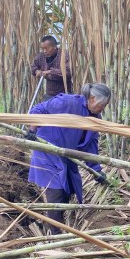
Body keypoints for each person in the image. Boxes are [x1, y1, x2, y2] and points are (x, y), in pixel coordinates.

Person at [25, 83, 111, 230]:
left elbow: (91, 146)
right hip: (48, 153)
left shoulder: (95, 119)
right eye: (102, 105)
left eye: (105, 106)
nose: (102, 109)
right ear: (92, 98)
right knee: (56, 193)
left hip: (67, 158)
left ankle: (54, 225)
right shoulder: (68, 102)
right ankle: (55, 235)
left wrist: (96, 170)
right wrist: (33, 128)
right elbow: (38, 110)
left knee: (67, 192)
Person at [31, 35, 72, 100]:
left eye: (47, 48)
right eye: (43, 49)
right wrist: (37, 71)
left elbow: (67, 72)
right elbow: (33, 66)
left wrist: (50, 72)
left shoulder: (64, 56)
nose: (44, 51)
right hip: (49, 95)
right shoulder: (41, 56)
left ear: (55, 47)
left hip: (65, 95)